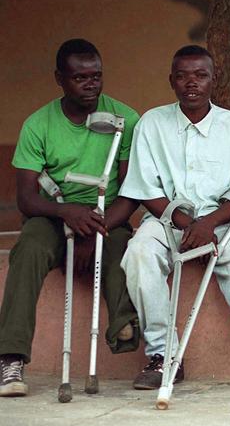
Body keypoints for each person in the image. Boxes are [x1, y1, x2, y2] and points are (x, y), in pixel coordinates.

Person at [119, 45, 230, 390]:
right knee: (139, 253)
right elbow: (146, 189)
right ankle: (164, 357)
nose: (192, 83)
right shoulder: (151, 123)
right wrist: (184, 223)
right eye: (183, 75)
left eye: (200, 75)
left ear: (213, 80)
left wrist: (207, 224)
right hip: (167, 220)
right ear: (172, 81)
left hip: (222, 221)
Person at [0, 39, 140, 397]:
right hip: (52, 213)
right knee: (27, 248)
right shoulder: (38, 124)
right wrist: (66, 212)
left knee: (125, 246)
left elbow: (131, 190)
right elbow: (26, 199)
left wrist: (94, 229)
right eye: (80, 78)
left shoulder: (126, 119)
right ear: (59, 79)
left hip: (106, 216)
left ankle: (123, 327)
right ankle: (11, 358)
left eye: (96, 76)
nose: (90, 84)